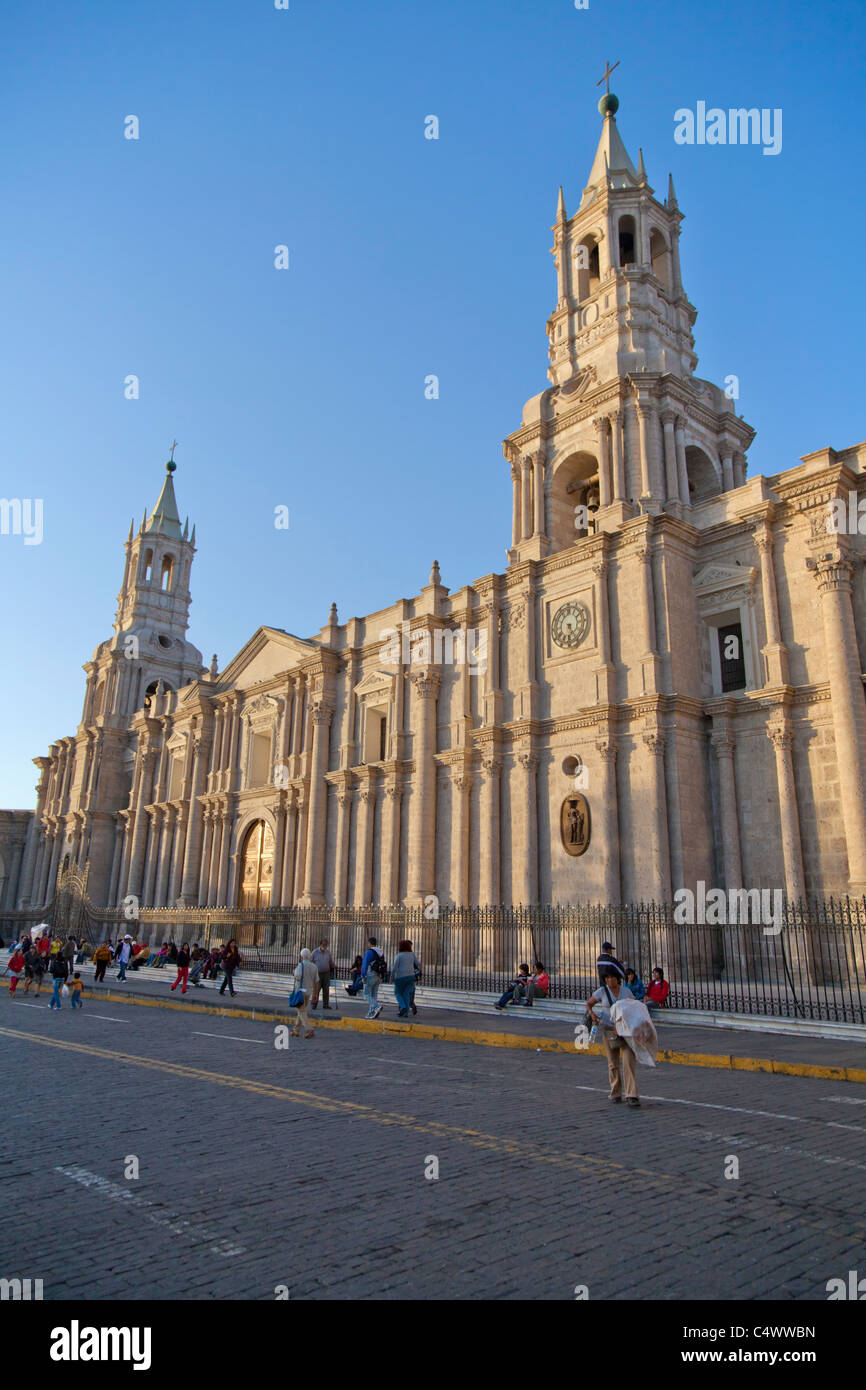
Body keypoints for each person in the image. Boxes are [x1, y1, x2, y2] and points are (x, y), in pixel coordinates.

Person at [587, 968, 640, 1107]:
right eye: (607, 978)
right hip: (609, 1030)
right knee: (613, 1063)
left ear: (618, 978)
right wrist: (592, 1014)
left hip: (626, 1031)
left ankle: (631, 1094)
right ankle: (615, 1092)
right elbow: (589, 1004)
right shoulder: (602, 992)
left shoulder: (626, 992)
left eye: (613, 978)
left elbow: (634, 1006)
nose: (610, 980)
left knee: (629, 1061)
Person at [290, 947, 318, 1039]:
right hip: (308, 991)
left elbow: (297, 977)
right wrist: (315, 994)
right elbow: (317, 981)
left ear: (301, 956)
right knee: (301, 1010)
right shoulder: (314, 966)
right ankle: (296, 1030)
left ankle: (309, 1029)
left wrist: (294, 973)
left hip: (301, 991)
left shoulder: (300, 965)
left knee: (301, 1011)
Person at [391, 940, 421, 1018]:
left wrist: (391, 977)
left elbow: (394, 967)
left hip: (401, 977)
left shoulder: (399, 955)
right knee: (406, 994)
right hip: (411, 976)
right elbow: (418, 963)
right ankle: (406, 1013)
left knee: (398, 993)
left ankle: (403, 1007)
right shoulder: (412, 954)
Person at [360, 936, 386, 1019]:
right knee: (374, 995)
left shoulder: (369, 952)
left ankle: (376, 1006)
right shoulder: (380, 952)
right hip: (378, 975)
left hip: (370, 974)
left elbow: (365, 964)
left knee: (366, 994)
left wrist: (363, 975)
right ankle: (371, 1012)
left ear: (369, 943)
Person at [310, 938, 335, 1009]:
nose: (325, 946)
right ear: (320, 944)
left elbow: (330, 961)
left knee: (326, 990)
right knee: (316, 990)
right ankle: (314, 1004)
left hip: (326, 973)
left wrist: (333, 965)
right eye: (323, 944)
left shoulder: (328, 952)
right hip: (318, 973)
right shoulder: (315, 952)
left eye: (326, 945)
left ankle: (325, 1004)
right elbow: (310, 961)